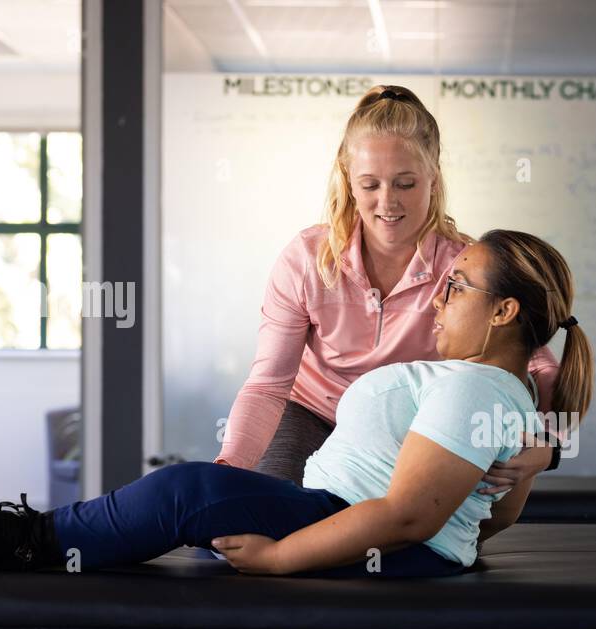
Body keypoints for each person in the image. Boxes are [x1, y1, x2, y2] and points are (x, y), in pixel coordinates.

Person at [0, 230, 593, 578]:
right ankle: (49, 537)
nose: (438, 298)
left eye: (457, 287)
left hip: (363, 528)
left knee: (185, 492)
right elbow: (495, 517)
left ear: (504, 311)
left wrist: (281, 558)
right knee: (199, 494)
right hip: (360, 525)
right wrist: (516, 477)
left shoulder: (477, 386)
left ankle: (26, 542)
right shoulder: (500, 391)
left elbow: (407, 517)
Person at [219, 83, 564, 494]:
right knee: (260, 511)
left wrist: (550, 445)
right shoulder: (307, 258)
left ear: (433, 179)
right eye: (370, 185)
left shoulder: (465, 265)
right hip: (309, 412)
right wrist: (227, 471)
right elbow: (268, 386)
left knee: (393, 523)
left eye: (405, 184)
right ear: (348, 181)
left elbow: (539, 362)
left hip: (403, 421)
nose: (388, 202)